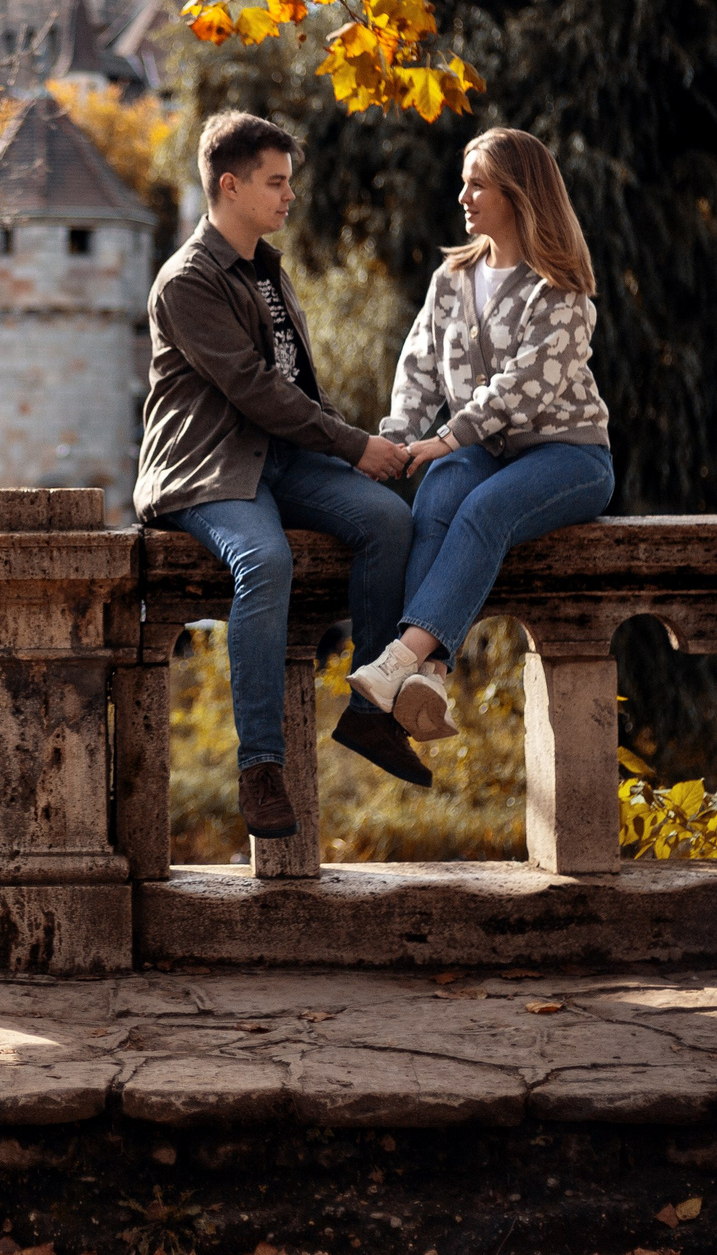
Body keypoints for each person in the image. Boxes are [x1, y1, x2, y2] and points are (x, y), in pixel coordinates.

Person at [137, 111, 421, 842]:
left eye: (289, 181)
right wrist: (355, 444)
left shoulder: (266, 266)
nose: (289, 195)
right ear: (229, 186)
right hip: (208, 466)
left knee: (390, 520)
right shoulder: (187, 281)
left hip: (283, 457)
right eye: (275, 182)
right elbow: (255, 387)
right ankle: (261, 766)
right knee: (265, 560)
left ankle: (371, 710)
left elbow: (296, 386)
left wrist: (347, 448)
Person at [350, 127, 616, 734]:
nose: (463, 196)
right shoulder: (451, 280)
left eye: (478, 185)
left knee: (483, 509)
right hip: (490, 452)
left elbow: (525, 388)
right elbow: (417, 368)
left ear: (518, 195)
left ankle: (401, 658)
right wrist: (397, 440)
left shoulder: (561, 291)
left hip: (570, 458)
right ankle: (430, 679)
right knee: (441, 491)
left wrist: (447, 437)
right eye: (463, 183)